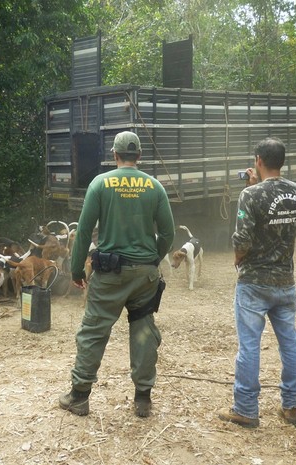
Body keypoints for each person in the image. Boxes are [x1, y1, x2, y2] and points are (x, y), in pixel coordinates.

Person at [59, 131, 175, 418]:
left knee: (94, 332)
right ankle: (143, 400)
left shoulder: (100, 184)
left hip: (109, 276)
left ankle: (79, 397)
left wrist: (76, 269)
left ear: (114, 155)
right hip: (144, 277)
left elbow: (83, 231)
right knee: (144, 332)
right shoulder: (155, 186)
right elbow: (169, 233)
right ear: (140, 156)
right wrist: (152, 261)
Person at [218, 137, 296, 429]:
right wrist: (252, 186)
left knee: (249, 346)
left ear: (257, 160)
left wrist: (237, 258)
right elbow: (276, 223)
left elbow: (243, 237)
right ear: (282, 160)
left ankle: (245, 409)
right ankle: (292, 407)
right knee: (289, 342)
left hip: (254, 282)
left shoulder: (250, 195)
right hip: (285, 280)